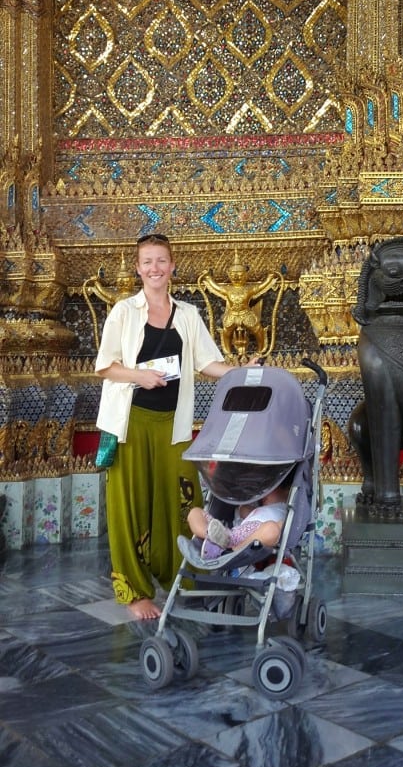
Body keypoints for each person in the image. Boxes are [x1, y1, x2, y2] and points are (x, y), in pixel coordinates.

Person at [95, 233, 255, 621]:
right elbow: (104, 366)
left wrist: (243, 371)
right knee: (129, 504)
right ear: (138, 268)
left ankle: (182, 574)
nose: (155, 268)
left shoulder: (188, 314)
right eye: (147, 261)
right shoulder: (123, 311)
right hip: (130, 423)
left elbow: (208, 364)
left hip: (174, 426)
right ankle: (134, 591)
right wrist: (139, 376)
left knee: (183, 500)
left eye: (161, 261)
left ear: (172, 266)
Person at [178, 482, 289, 563]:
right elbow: (243, 511)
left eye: (271, 491)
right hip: (228, 533)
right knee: (194, 512)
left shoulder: (285, 510)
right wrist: (245, 507)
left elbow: (281, 528)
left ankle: (228, 550)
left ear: (286, 492)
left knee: (272, 529)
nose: (264, 495)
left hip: (250, 541)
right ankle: (209, 535)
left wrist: (279, 526)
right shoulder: (259, 508)